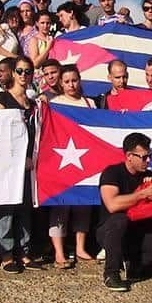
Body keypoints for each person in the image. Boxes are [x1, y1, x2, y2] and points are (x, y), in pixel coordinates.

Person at [97, 133, 152, 292]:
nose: (148, 161)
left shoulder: (150, 177)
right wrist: (142, 195)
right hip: (111, 229)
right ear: (129, 156)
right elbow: (112, 204)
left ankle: (132, 262)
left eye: (150, 156)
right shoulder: (112, 173)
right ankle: (111, 273)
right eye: (144, 157)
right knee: (120, 219)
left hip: (139, 230)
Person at [0, 56, 42, 273]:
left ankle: (24, 251)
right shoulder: (2, 98)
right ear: (13, 73)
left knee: (24, 208)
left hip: (30, 164)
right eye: (20, 71)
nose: (24, 76)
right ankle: (6, 254)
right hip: (8, 163)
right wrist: (17, 159)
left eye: (28, 71)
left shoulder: (33, 104)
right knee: (6, 208)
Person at [47, 65, 95, 268]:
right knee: (61, 206)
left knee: (84, 204)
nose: (71, 85)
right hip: (62, 159)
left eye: (74, 80)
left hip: (85, 158)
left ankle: (80, 248)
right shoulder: (54, 103)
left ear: (80, 80)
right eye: (66, 81)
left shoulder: (90, 103)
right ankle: (59, 252)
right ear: (60, 83)